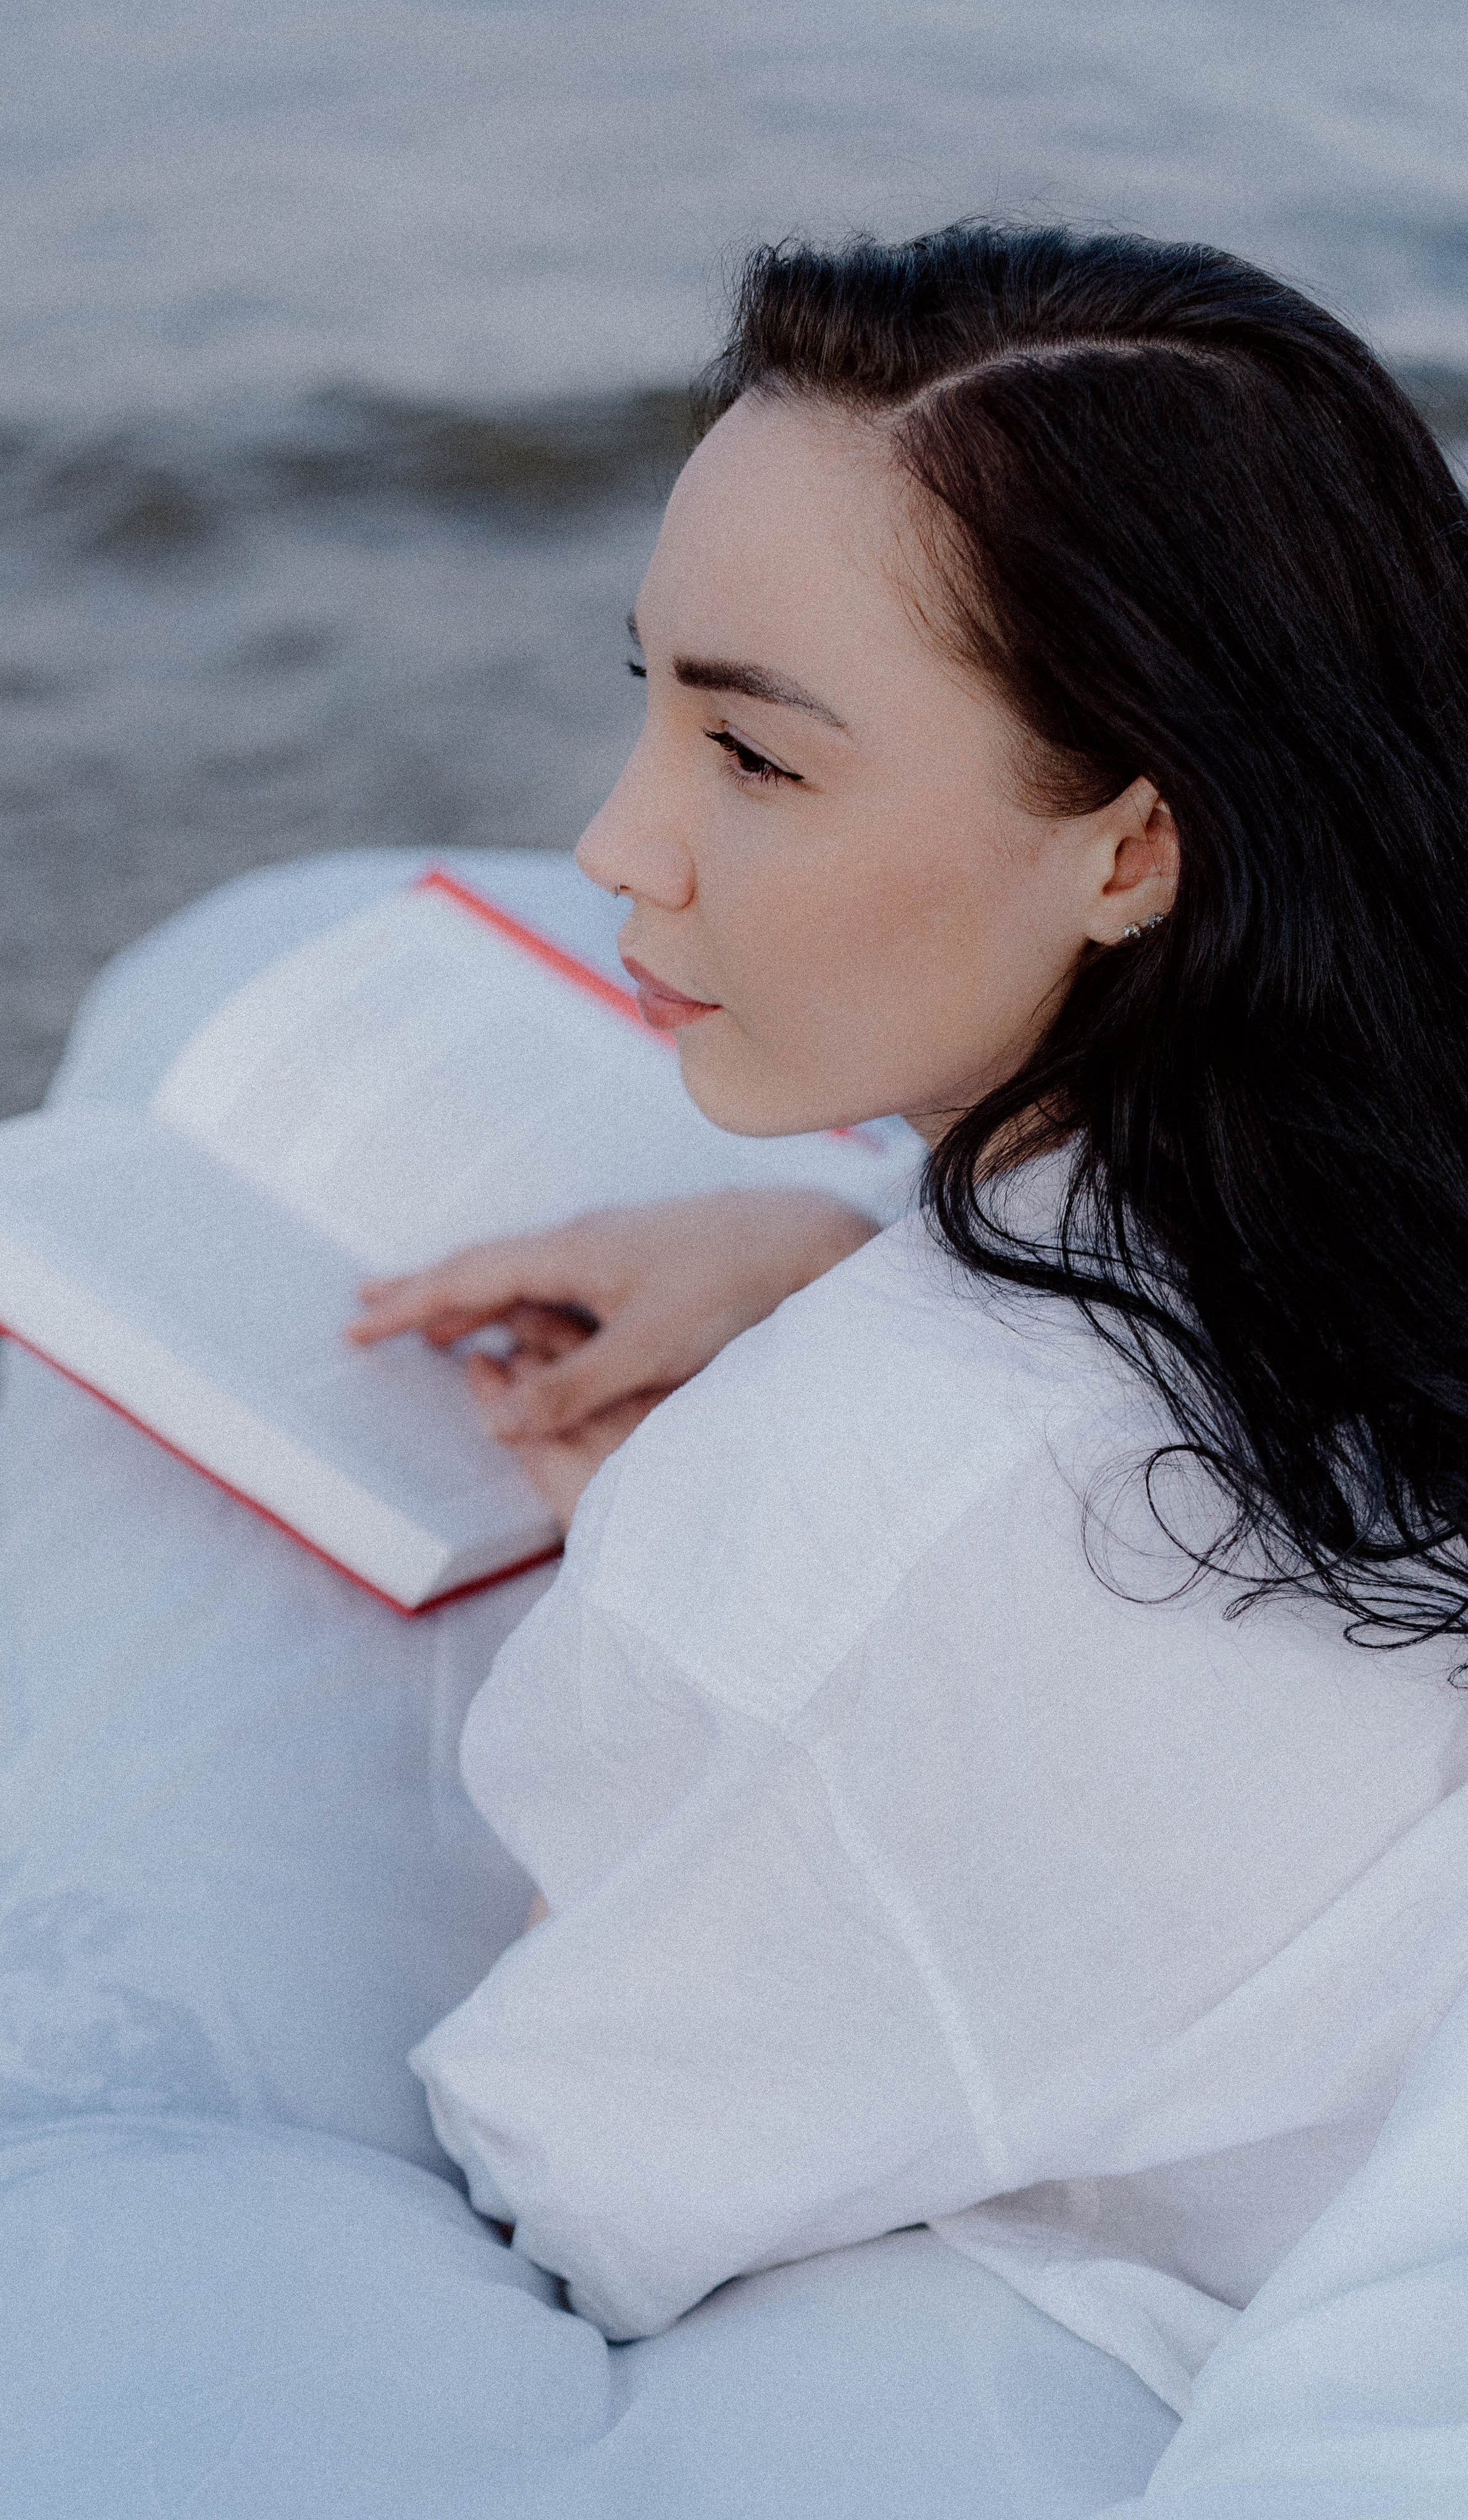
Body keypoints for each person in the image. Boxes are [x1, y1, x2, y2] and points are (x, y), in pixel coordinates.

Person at [348, 223, 1468, 2412]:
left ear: (1134, 850)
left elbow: (573, 2174)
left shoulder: (882, 1516)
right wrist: (841, 1243)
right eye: (652, 699)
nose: (620, 844)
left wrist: (708, 1539)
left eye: (756, 760)